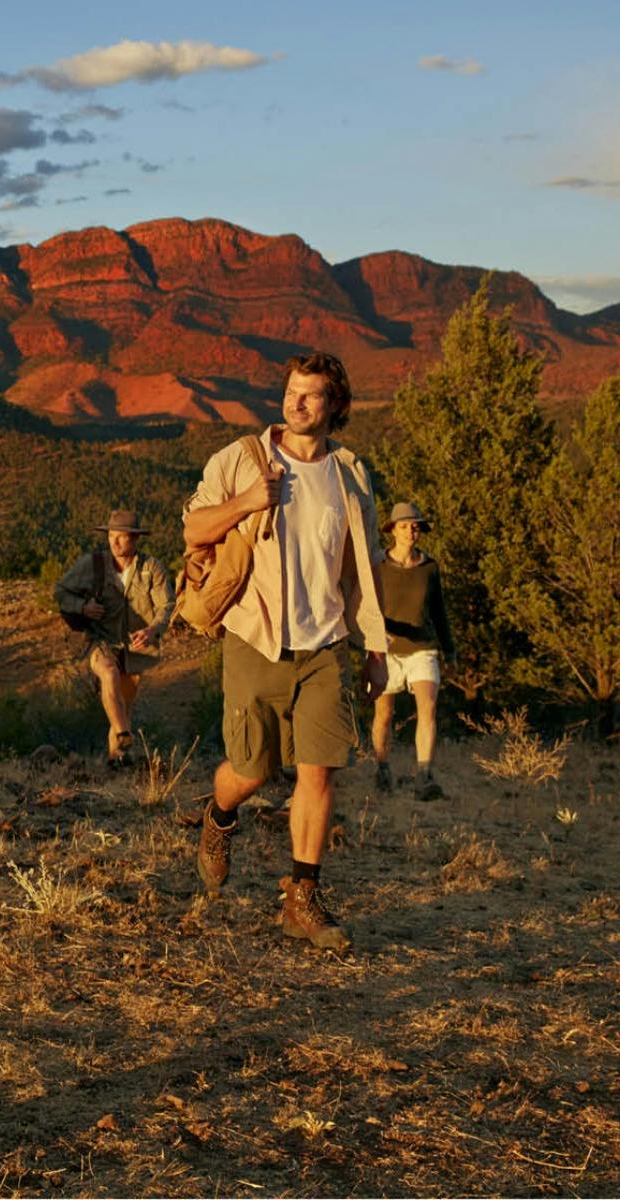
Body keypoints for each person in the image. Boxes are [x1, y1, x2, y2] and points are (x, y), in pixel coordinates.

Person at [182, 351, 388, 952]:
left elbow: (364, 569)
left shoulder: (350, 474)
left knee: (320, 770)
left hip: (326, 643)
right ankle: (218, 817)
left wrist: (374, 647)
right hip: (256, 637)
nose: (296, 402)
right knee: (253, 770)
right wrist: (247, 501)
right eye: (291, 390)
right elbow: (194, 531)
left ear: (335, 406)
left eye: (311, 394)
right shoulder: (241, 459)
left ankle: (302, 899)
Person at [54, 508, 173, 764]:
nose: (114, 542)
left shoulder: (152, 569)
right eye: (111, 537)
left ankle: (116, 760)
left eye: (121, 537)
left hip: (135, 649)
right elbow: (61, 592)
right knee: (108, 673)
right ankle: (123, 735)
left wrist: (152, 630)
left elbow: (166, 606)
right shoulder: (93, 565)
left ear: (136, 539)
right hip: (98, 641)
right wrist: (82, 608)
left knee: (122, 706)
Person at [371, 501, 455, 802]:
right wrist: (374, 635)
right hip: (386, 651)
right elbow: (363, 605)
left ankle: (424, 776)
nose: (411, 531)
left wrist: (449, 648)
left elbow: (439, 609)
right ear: (392, 530)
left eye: (415, 526)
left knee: (428, 708)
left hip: (423, 647)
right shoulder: (377, 565)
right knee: (384, 713)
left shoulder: (429, 567)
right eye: (405, 526)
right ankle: (382, 767)